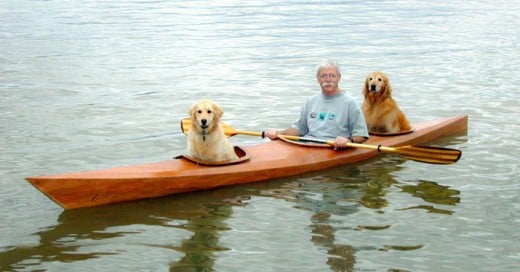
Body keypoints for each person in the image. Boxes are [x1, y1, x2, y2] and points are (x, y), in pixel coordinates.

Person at [264, 59, 369, 150]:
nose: (328, 79)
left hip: (332, 147)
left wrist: (349, 140)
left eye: (332, 76)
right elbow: (299, 129)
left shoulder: (350, 103)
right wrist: (278, 134)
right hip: (308, 145)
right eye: (323, 76)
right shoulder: (311, 101)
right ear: (318, 78)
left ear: (339, 78)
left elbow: (361, 135)